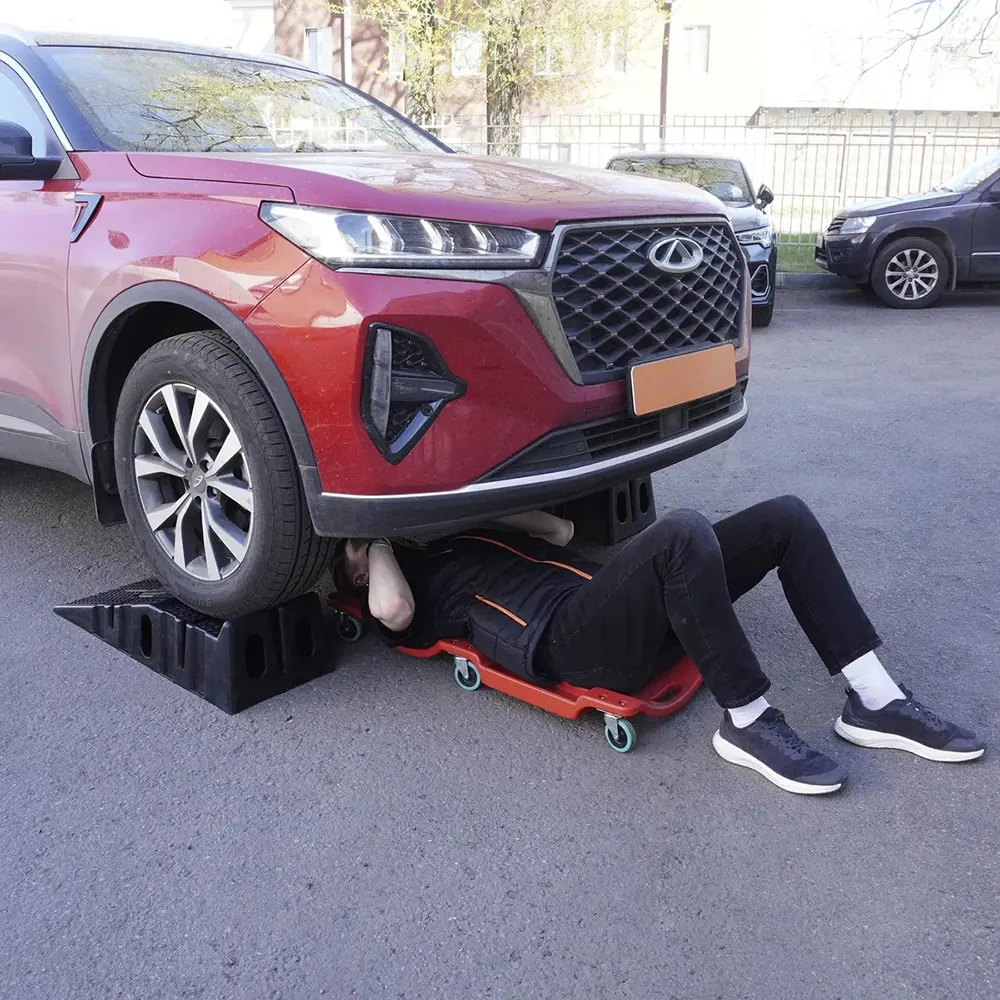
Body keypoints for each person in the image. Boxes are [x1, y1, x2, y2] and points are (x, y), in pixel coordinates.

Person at [335, 497, 985, 795]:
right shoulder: (408, 594)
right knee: (681, 533)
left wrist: (476, 509)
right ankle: (748, 722)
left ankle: (875, 697)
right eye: (358, 553)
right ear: (359, 572)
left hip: (612, 609)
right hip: (567, 643)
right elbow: (391, 611)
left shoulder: (455, 540)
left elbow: (557, 531)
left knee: (784, 518)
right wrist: (374, 540)